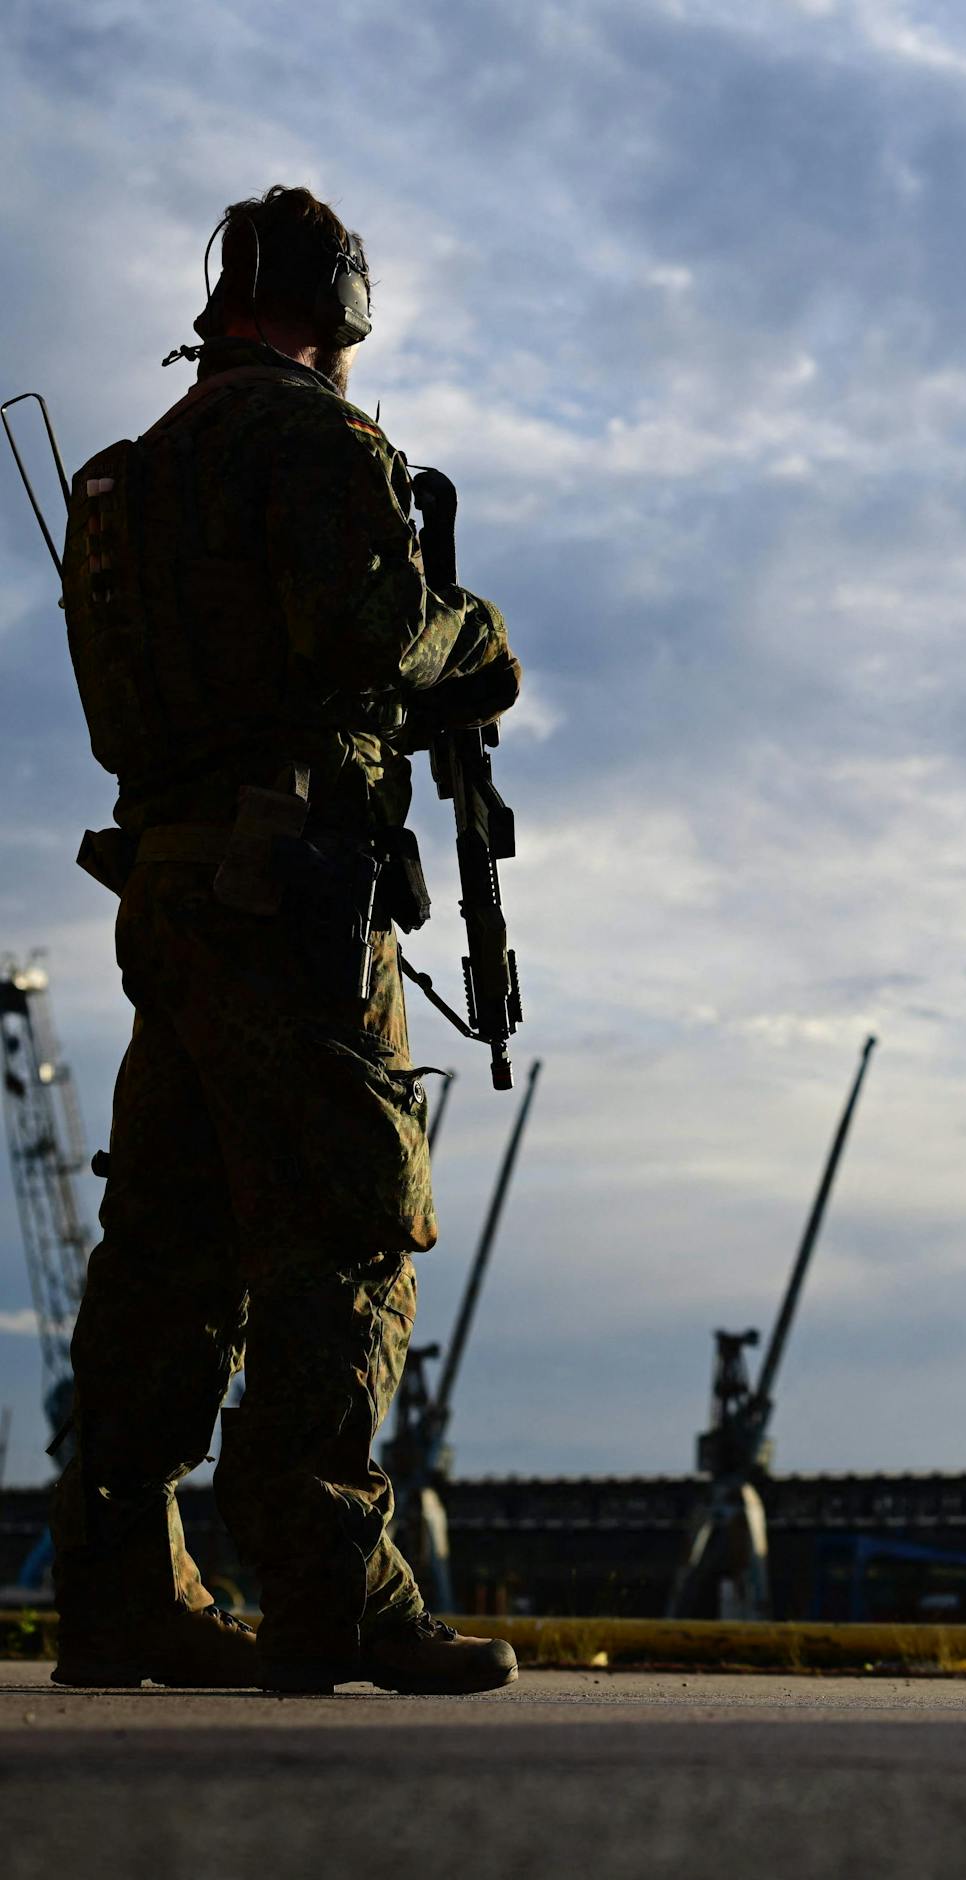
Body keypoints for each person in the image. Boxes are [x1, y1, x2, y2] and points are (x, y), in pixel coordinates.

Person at [49, 185, 522, 1695]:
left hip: (173, 891)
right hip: (296, 895)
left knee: (167, 1247)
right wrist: (477, 640)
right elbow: (380, 634)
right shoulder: (314, 442)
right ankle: (333, 1586)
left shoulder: (131, 475)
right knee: (347, 1222)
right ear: (341, 308)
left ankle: (119, 1590)